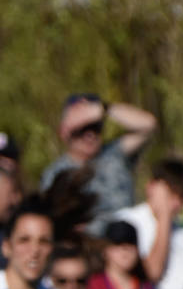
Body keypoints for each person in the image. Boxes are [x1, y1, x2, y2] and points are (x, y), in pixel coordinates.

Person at [39, 93, 157, 231]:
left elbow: (149, 125)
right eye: (82, 129)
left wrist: (103, 109)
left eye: (95, 127)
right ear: (64, 132)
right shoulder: (55, 173)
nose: (90, 135)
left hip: (126, 242)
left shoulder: (115, 153)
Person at [110, 157, 183, 289]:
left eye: (182, 197)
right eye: (171, 193)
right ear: (151, 186)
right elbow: (152, 272)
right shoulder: (126, 222)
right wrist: (164, 217)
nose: (176, 204)